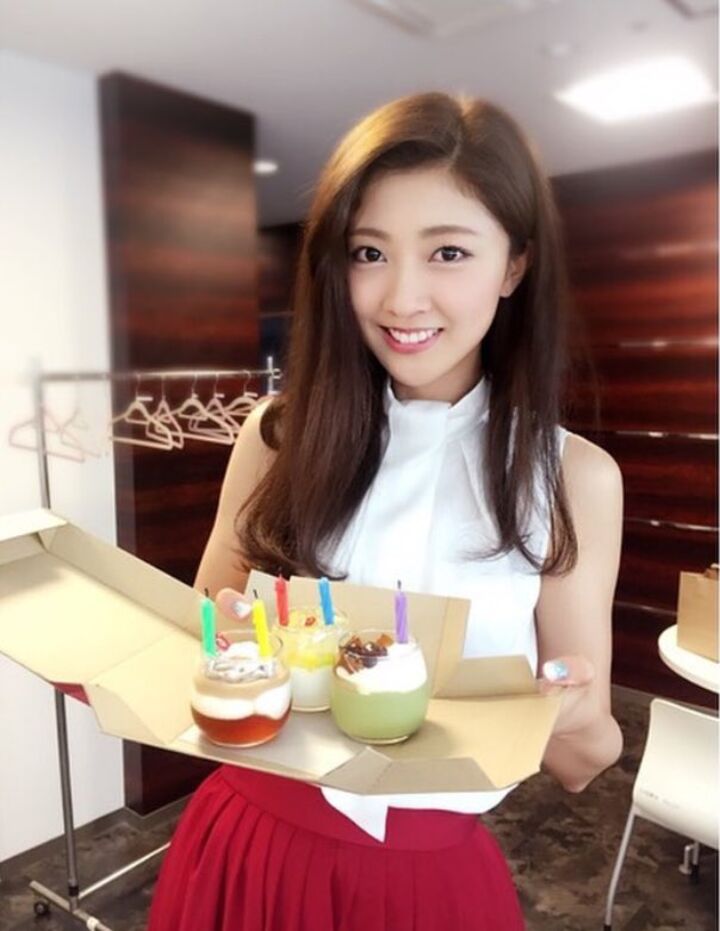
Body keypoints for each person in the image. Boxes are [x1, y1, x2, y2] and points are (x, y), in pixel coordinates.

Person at [148, 92, 623, 931]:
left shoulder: (571, 478)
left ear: (514, 266)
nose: (402, 298)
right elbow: (201, 644)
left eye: (448, 252)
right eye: (370, 252)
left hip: (423, 880)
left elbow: (585, 760)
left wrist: (574, 715)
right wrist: (217, 642)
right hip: (245, 843)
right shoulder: (276, 434)